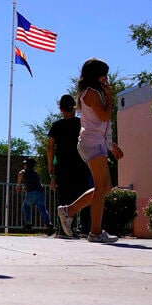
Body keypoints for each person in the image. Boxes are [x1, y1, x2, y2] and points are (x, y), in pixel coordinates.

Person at [56, 58, 124, 244]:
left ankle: (68, 211)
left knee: (106, 187)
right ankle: (95, 232)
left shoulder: (92, 92)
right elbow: (103, 116)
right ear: (95, 75)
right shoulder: (92, 93)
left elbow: (99, 123)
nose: (106, 79)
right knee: (102, 186)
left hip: (96, 141)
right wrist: (110, 97)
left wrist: (111, 145)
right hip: (91, 142)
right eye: (104, 75)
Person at [48, 94, 92, 237]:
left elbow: (50, 148)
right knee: (85, 194)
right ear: (75, 108)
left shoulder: (56, 126)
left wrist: (51, 167)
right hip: (80, 164)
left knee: (65, 196)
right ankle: (85, 228)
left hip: (62, 165)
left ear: (60, 109)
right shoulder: (81, 123)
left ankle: (63, 230)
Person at [17, 158, 50, 232]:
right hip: (40, 192)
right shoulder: (35, 173)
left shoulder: (25, 171)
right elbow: (35, 182)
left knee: (26, 206)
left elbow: (20, 174)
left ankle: (28, 223)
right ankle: (49, 224)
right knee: (42, 209)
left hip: (31, 192)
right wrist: (25, 186)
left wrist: (18, 185)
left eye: (24, 164)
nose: (24, 166)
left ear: (27, 165)